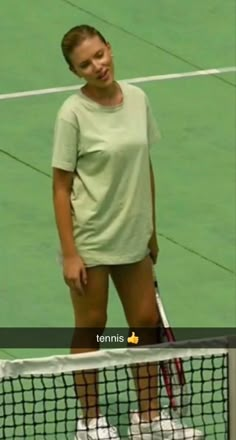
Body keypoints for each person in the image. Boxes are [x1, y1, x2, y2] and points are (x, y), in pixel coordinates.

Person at [51, 25, 203, 440]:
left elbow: (144, 166)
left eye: (100, 55)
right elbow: (61, 185)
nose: (97, 65)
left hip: (133, 237)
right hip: (93, 240)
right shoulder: (73, 114)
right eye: (85, 63)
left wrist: (151, 229)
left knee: (142, 326)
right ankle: (91, 421)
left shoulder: (137, 99)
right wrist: (69, 253)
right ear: (75, 71)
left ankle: (149, 418)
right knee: (94, 328)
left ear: (110, 49)